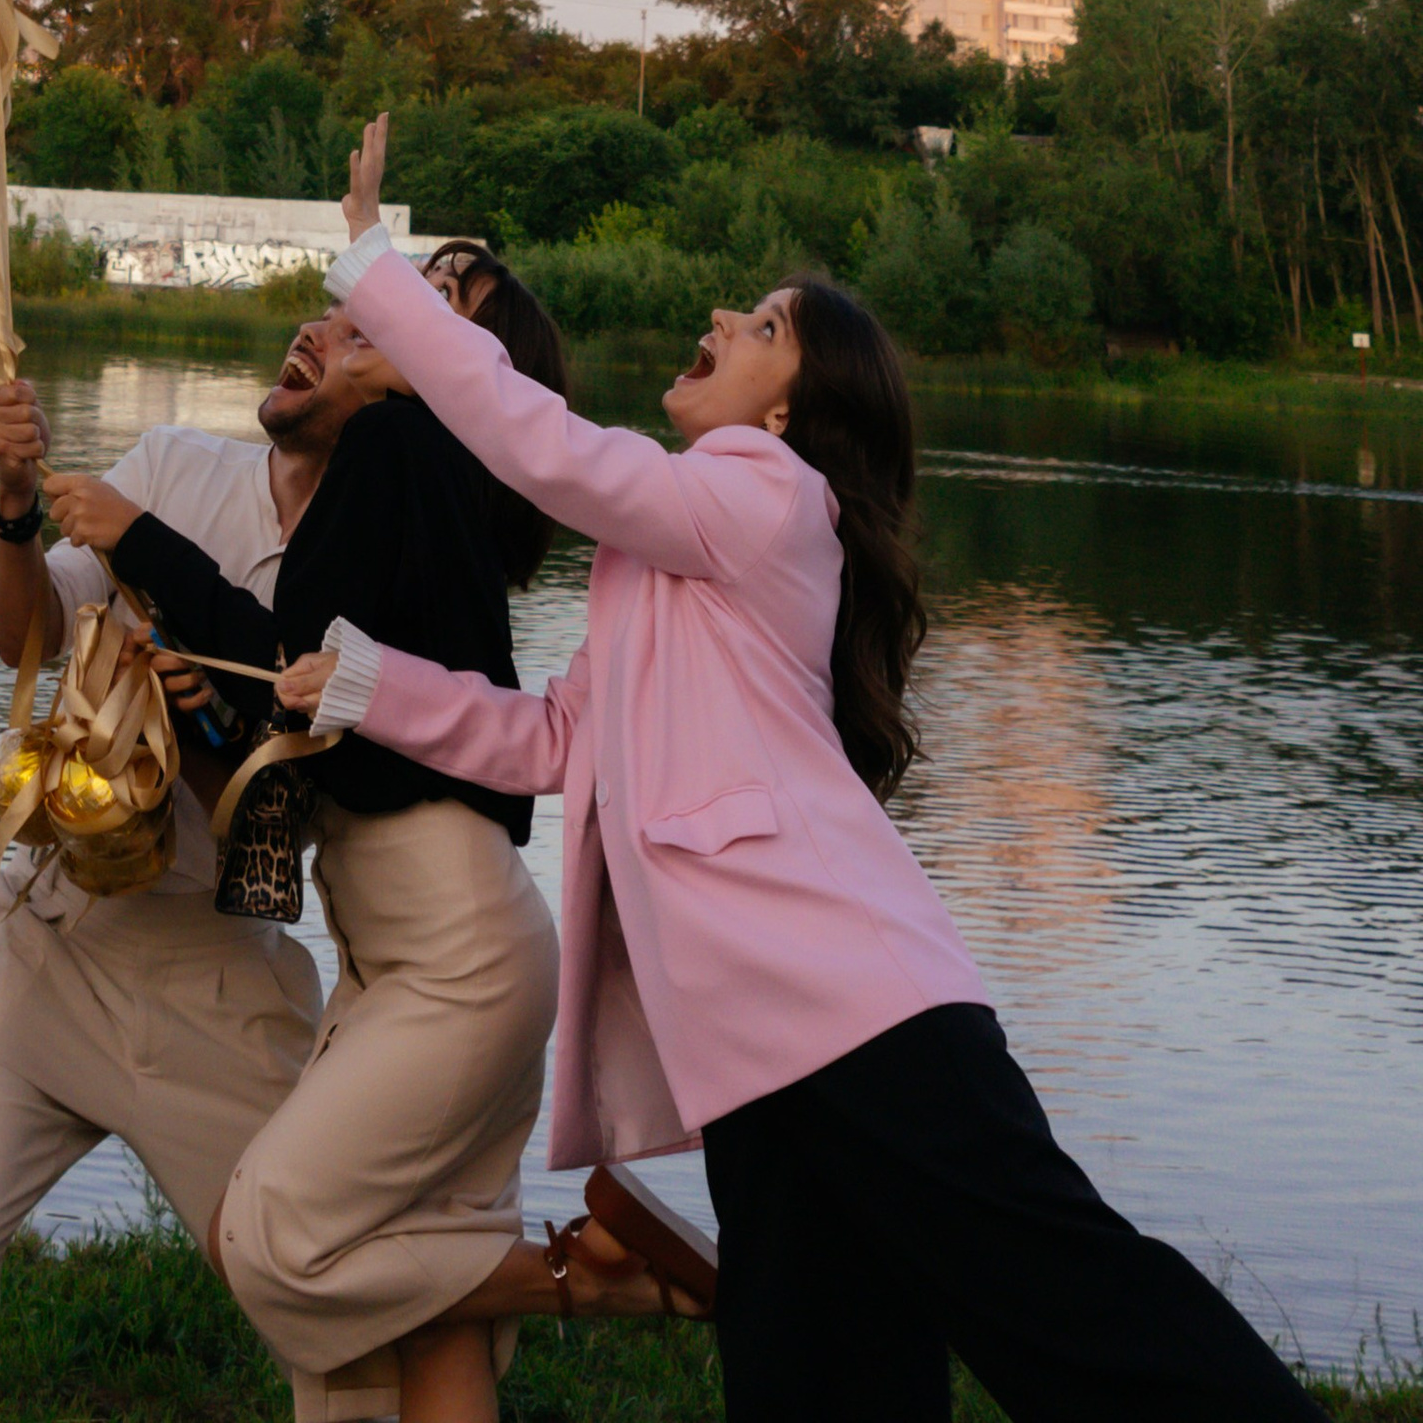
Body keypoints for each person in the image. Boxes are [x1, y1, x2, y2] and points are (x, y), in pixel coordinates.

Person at [279, 122, 1328, 1423]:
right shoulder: (671, 558)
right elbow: (552, 738)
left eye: (765, 325)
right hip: (754, 1063)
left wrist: (375, 263)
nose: (723, 315)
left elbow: (541, 444)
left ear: (785, 409)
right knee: (819, 1387)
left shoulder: (764, 498)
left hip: (861, 1018)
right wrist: (370, 684)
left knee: (1074, 1318)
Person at [44, 244, 668, 1423]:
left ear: (478, 376)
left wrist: (136, 533)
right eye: (414, 281)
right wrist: (208, 698)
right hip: (434, 953)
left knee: (270, 1238)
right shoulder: (424, 503)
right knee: (433, 1319)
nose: (392, 303)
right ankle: (534, 1286)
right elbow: (319, 708)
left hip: (453, 958)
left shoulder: (397, 446)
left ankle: (590, 1283)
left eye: (446, 301)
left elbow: (289, 654)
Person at [0, 311, 407, 1423]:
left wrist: (201, 725)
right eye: (323, 316)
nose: (313, 330)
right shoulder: (178, 465)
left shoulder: (369, 584)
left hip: (211, 986)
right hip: (47, 947)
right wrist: (12, 501)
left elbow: (276, 837)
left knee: (322, 1308)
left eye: (357, 337)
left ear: (397, 403)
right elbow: (28, 636)